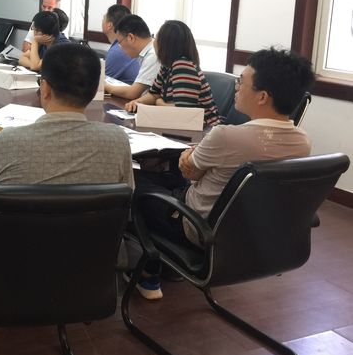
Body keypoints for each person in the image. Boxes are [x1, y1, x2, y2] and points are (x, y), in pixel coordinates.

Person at [130, 47, 315, 300]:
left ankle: (149, 273)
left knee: (132, 183)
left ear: (262, 96)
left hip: (199, 228)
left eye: (241, 82)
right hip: (254, 232)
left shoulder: (226, 136)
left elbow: (190, 172)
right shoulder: (303, 141)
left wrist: (190, 157)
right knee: (167, 180)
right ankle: (167, 266)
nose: (237, 87)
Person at [0, 43, 134, 229]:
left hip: (17, 244)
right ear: (94, 92)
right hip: (92, 244)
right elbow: (126, 203)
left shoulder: (8, 141)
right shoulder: (117, 141)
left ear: (45, 89)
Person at [124, 20, 220, 127]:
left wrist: (159, 102)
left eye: (156, 37)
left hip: (204, 129)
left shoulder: (183, 66)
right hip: (179, 125)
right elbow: (154, 94)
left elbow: (182, 112)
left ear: (166, 44)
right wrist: (138, 102)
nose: (154, 41)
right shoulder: (166, 66)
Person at [104, 14, 160, 100]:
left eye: (120, 43)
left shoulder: (152, 55)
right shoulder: (146, 52)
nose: (120, 48)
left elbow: (133, 93)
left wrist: (106, 86)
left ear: (130, 37)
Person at [102, 4, 140, 84]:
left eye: (104, 18)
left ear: (109, 25)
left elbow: (100, 84)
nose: (102, 20)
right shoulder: (126, 45)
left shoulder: (118, 50)